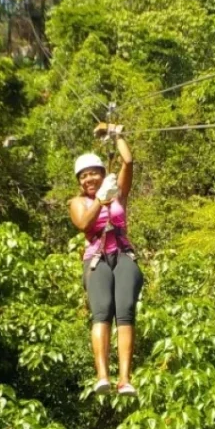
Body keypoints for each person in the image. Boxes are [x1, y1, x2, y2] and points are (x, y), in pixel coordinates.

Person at [69, 123, 143, 396]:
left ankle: (124, 379)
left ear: (102, 175)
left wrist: (117, 134)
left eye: (93, 174)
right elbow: (82, 224)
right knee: (102, 312)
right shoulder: (78, 202)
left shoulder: (117, 192)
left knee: (125, 311)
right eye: (84, 177)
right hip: (96, 259)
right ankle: (102, 376)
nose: (88, 180)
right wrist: (100, 201)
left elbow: (128, 160)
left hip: (122, 254)